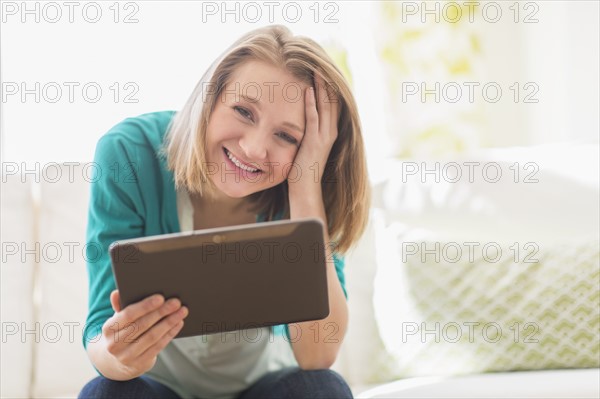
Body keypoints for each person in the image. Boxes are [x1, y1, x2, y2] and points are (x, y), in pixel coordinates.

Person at [78, 24, 370, 399]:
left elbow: (318, 354)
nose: (253, 148)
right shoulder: (129, 153)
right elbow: (100, 334)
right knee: (106, 392)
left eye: (286, 136)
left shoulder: (302, 190)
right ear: (210, 99)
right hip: (156, 387)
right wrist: (119, 356)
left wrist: (305, 187)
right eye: (244, 111)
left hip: (264, 385)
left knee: (321, 389)